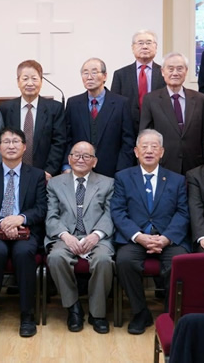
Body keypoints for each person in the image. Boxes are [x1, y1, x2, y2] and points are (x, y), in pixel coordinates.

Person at [111, 129, 190, 335]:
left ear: (162, 152)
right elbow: (118, 211)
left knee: (179, 262)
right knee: (124, 262)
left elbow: (183, 212)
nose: (149, 151)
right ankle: (140, 312)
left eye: (154, 147)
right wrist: (138, 236)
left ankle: (171, 314)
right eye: (144, 147)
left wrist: (166, 238)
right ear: (136, 151)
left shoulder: (177, 179)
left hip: (168, 238)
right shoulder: (123, 177)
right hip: (136, 238)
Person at [0, 127, 47, 338]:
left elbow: (41, 208)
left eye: (16, 141)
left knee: (23, 252)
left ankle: (27, 313)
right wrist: (3, 222)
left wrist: (20, 219)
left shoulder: (37, 175)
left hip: (26, 230)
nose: (11, 146)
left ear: (24, 147)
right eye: (6, 142)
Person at [45, 141, 115, 334]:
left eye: (86, 156)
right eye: (76, 155)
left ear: (95, 161)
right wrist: (66, 236)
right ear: (69, 159)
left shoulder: (108, 183)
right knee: (56, 257)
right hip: (66, 236)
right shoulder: (55, 183)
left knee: (103, 260)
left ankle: (97, 313)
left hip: (97, 236)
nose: (80, 159)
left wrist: (96, 235)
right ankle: (73, 308)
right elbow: (51, 216)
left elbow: (110, 214)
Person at [139, 52, 204, 175]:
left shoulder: (200, 99)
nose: (175, 73)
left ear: (186, 71)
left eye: (179, 68)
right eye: (170, 69)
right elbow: (145, 134)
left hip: (194, 166)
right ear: (162, 72)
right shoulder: (151, 100)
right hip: (164, 165)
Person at [64, 57, 134, 177]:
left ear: (105, 76)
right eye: (85, 73)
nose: (89, 77)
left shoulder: (121, 103)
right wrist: (67, 166)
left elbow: (128, 141)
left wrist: (121, 171)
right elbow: (67, 138)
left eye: (94, 72)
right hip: (79, 171)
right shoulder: (73, 103)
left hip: (112, 172)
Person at [0, 60, 66, 180]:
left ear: (41, 81)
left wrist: (49, 171)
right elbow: (1, 141)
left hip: (45, 175)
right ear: (18, 81)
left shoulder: (55, 108)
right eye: (25, 79)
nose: (30, 83)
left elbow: (59, 142)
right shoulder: (6, 108)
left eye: (34, 79)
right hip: (12, 174)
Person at [110, 30, 166, 134]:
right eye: (140, 43)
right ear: (133, 48)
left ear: (156, 47)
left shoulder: (164, 73)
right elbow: (114, 106)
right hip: (128, 130)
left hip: (158, 129)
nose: (145, 47)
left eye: (149, 43)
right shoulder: (120, 74)